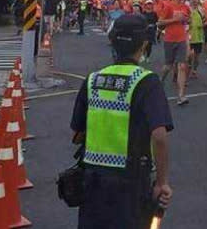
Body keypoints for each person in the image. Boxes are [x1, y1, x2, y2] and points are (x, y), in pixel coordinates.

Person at [71, 14, 173, 228]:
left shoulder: (93, 80)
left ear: (113, 41)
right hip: (131, 182)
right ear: (144, 44)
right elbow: (159, 136)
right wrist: (162, 183)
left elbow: (78, 133)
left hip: (92, 181)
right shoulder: (147, 82)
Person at [158, 0, 191, 106]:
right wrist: (175, 20)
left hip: (182, 39)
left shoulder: (185, 7)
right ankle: (160, 81)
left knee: (182, 66)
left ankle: (181, 96)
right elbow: (160, 22)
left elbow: (188, 20)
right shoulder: (168, 6)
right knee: (168, 66)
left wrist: (186, 20)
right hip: (169, 39)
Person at [187, 0, 206, 80]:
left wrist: (203, 25)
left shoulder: (201, 10)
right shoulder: (187, 9)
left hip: (198, 36)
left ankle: (194, 71)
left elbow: (206, 19)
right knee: (190, 55)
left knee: (197, 57)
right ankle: (188, 70)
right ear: (190, 0)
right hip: (189, 36)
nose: (194, 1)